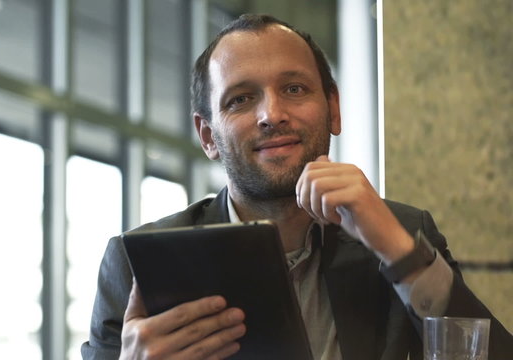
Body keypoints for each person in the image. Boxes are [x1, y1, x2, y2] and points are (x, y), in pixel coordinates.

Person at [82, 14, 513, 360]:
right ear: (208, 136)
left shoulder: (401, 230)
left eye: (294, 88)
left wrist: (399, 252)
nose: (272, 114)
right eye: (241, 99)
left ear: (334, 109)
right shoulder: (137, 262)